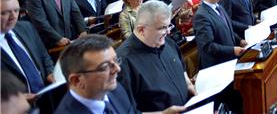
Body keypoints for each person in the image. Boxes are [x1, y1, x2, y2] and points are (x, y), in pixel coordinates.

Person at [56, 34, 185, 114]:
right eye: (105, 66)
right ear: (76, 80)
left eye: (116, 60)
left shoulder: (115, 89)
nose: (117, 69)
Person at [116, 1, 195, 112]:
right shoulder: (123, 62)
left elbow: (181, 68)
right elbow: (124, 110)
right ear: (141, 30)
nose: (167, 32)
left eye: (168, 26)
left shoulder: (167, 42)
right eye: (162, 28)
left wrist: (188, 85)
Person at [193, 0, 245, 113]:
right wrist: (233, 50)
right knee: (225, 103)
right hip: (217, 67)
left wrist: (239, 40)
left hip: (229, 62)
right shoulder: (201, 16)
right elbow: (208, 46)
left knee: (235, 101)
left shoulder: (219, 7)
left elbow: (228, 29)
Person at [1, 0, 54, 94]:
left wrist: (50, 72)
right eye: (5, 13)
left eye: (16, 11)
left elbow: (43, 55)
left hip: (46, 94)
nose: (13, 17)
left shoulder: (26, 27)